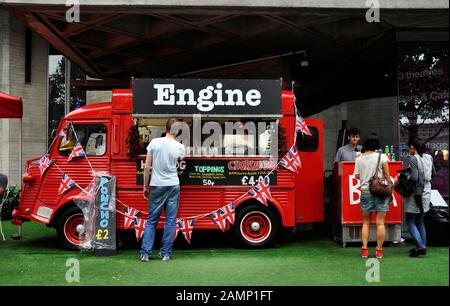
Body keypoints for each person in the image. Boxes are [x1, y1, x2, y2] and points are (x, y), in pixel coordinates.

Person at [140, 118, 186, 262]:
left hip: (156, 185)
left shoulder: (154, 143)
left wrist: (145, 186)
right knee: (170, 221)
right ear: (177, 130)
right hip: (173, 185)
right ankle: (166, 254)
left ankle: (145, 254)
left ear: (166, 128)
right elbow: (180, 161)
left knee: (152, 221)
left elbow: (147, 167)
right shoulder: (180, 147)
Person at [353, 134, 390, 259]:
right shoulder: (382, 156)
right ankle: (379, 251)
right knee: (380, 223)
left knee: (365, 223)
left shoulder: (359, 158)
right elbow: (387, 176)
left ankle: (364, 250)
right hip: (380, 193)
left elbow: (357, 176)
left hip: (365, 192)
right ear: (377, 146)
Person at [404, 138, 436, 258]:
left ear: (412, 147)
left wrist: (405, 176)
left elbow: (414, 177)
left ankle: (421, 247)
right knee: (420, 221)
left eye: (409, 147)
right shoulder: (429, 157)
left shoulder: (413, 158)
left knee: (410, 220)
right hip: (427, 190)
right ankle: (422, 246)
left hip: (416, 193)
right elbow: (434, 174)